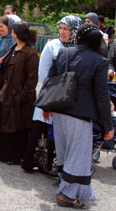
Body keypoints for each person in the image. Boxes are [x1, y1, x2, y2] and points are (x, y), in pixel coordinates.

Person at [43, 23, 114, 209]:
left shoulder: (63, 53)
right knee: (78, 156)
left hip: (59, 110)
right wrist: (108, 125)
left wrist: (45, 106)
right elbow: (102, 96)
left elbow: (50, 80)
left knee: (65, 152)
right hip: (80, 114)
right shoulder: (99, 62)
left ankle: (66, 186)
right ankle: (67, 194)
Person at [22, 15, 82, 174]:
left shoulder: (79, 48)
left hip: (67, 100)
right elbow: (43, 73)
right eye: (60, 28)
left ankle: (52, 166)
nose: (62, 32)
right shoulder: (52, 46)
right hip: (51, 94)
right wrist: (48, 98)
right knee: (41, 129)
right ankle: (34, 162)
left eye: (66, 29)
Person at [0, 21, 38, 164]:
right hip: (7, 92)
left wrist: (22, 96)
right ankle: (1, 153)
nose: (12, 32)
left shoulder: (30, 53)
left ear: (17, 34)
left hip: (19, 96)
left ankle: (15, 156)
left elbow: (32, 79)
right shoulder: (14, 47)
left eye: (14, 31)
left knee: (17, 127)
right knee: (4, 122)